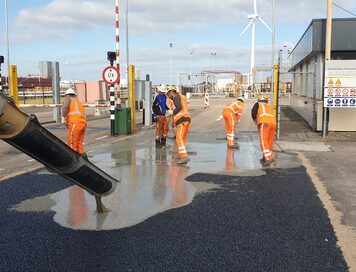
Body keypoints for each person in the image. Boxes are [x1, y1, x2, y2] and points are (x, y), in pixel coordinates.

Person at [167, 88, 191, 164]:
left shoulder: (176, 97)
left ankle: (184, 156)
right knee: (183, 138)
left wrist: (172, 112)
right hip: (186, 119)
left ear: (171, 93)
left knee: (179, 138)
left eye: (169, 95)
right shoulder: (181, 97)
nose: (169, 97)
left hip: (182, 120)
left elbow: (179, 107)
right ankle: (183, 155)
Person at [251, 95, 276, 166]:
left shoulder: (258, 104)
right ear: (266, 101)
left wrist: (255, 120)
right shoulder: (269, 106)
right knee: (269, 141)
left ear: (259, 100)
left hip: (264, 123)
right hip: (273, 124)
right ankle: (266, 157)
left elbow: (253, 112)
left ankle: (268, 158)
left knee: (263, 140)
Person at [62, 88, 87, 154]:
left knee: (72, 143)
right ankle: (81, 157)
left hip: (75, 123)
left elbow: (64, 108)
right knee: (79, 143)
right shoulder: (78, 102)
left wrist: (63, 116)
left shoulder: (69, 98)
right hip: (83, 124)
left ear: (67, 95)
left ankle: (73, 159)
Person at [152, 84, 169, 149]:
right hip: (159, 115)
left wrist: (168, 109)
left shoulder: (164, 97)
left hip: (164, 115)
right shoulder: (157, 97)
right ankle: (158, 144)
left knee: (165, 129)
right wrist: (155, 115)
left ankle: (163, 143)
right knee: (159, 130)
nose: (163, 92)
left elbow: (164, 105)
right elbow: (154, 106)